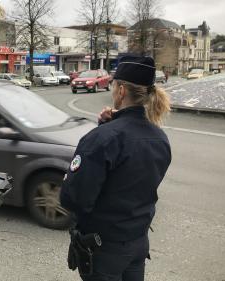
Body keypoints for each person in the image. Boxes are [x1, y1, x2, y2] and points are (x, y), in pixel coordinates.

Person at [61, 55, 172, 281]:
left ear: (121, 91)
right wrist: (109, 127)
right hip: (137, 242)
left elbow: (74, 198)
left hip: (104, 248)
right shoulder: (159, 137)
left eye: (113, 86)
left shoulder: (102, 138)